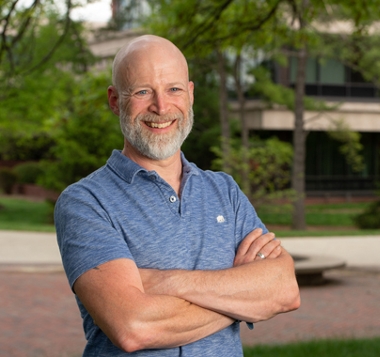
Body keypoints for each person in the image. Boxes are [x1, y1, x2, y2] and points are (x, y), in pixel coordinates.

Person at [54, 34, 300, 357]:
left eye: (174, 89)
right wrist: (242, 300)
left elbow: (284, 290)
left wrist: (162, 282)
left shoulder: (224, 191)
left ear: (191, 94)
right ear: (115, 101)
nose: (161, 106)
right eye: (143, 92)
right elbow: (132, 327)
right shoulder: (86, 202)